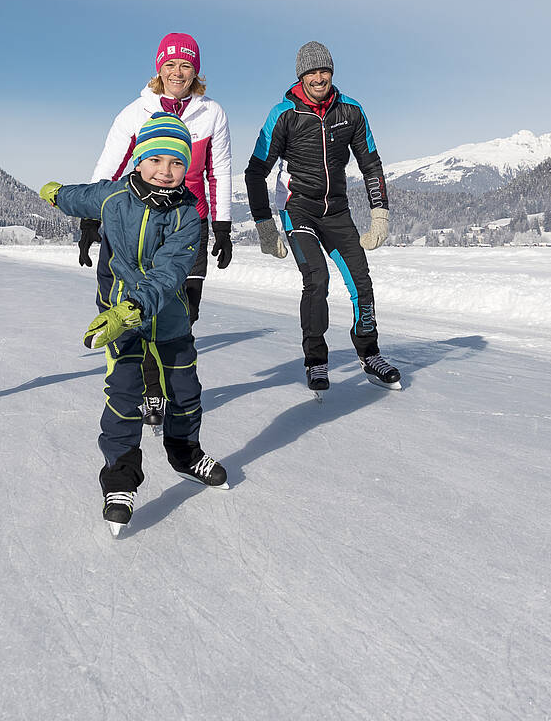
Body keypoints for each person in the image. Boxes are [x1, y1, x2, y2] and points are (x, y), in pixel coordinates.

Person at [40, 113, 228, 535]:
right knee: (123, 396)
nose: (166, 171)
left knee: (185, 394)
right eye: (156, 160)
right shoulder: (114, 198)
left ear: (186, 168)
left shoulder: (187, 215)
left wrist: (133, 308)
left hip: (168, 319)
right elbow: (83, 197)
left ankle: (184, 454)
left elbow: (169, 272)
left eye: (177, 163)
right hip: (119, 318)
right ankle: (120, 479)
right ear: (139, 161)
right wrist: (56, 194)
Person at [82, 33, 232, 430]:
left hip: (189, 223)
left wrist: (222, 224)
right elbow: (110, 167)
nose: (177, 73)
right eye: (170, 64)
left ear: (195, 70)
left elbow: (219, 170)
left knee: (185, 310)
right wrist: (89, 219)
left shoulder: (211, 112)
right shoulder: (135, 112)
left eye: (186, 65)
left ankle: (169, 380)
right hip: (138, 225)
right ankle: (152, 390)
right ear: (158, 69)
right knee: (146, 304)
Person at [245, 41, 401, 393]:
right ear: (301, 76)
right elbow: (255, 171)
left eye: (324, 70)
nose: (319, 77)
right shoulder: (283, 114)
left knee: (361, 282)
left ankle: (369, 352)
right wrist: (264, 225)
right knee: (317, 279)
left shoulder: (352, 111)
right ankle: (316, 360)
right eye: (311, 72)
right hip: (297, 207)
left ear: (332, 72)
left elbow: (371, 164)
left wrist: (380, 214)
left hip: (337, 210)